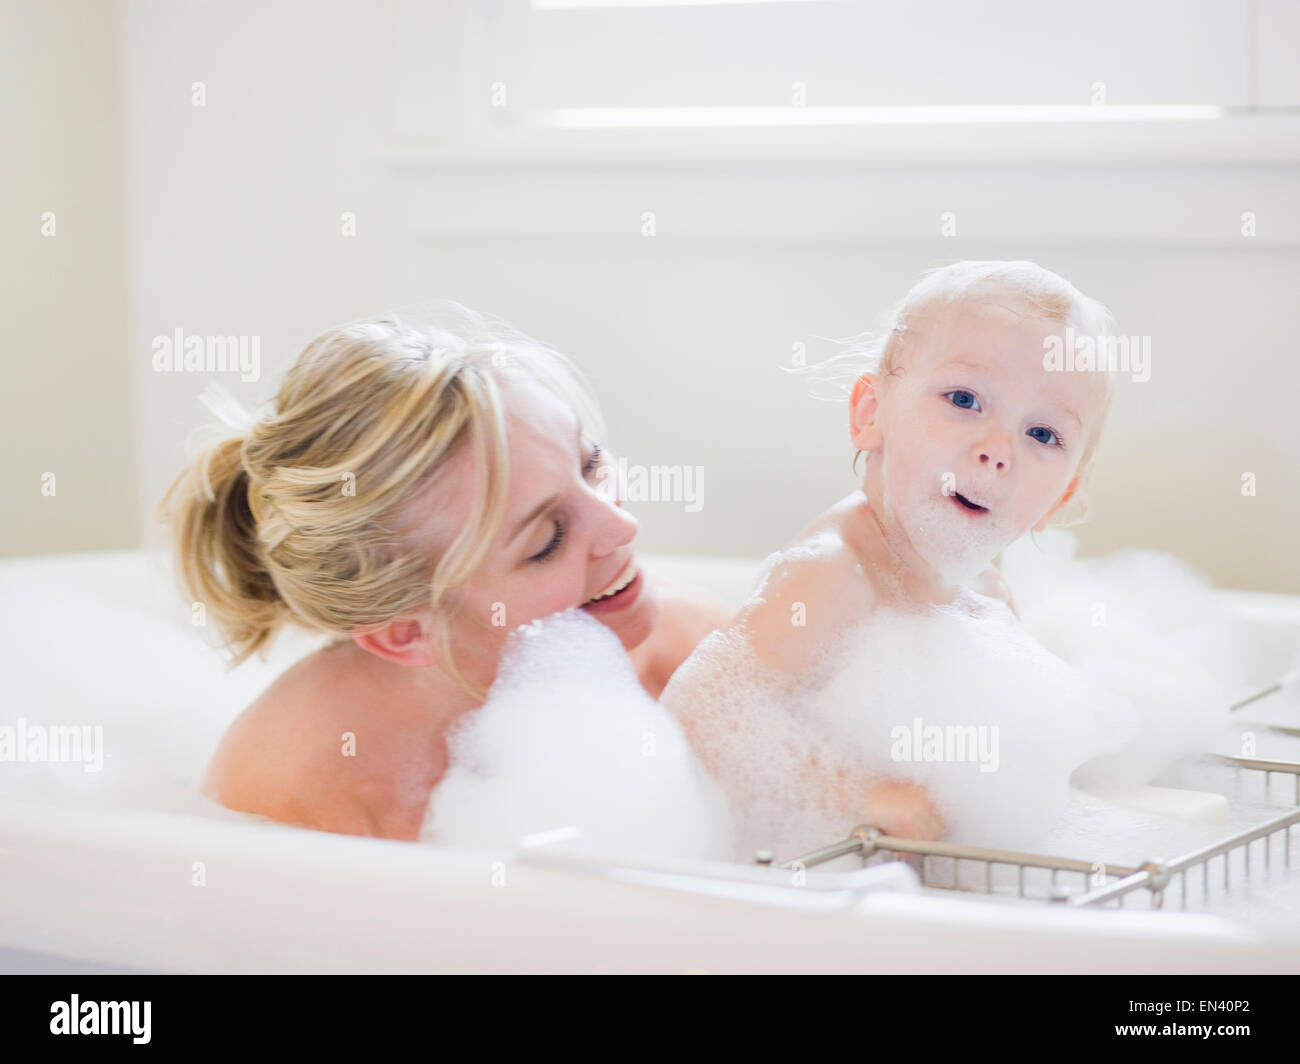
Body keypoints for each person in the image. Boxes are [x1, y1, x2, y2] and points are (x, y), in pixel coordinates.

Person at [159, 307, 731, 841]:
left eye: (591, 464)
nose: (622, 526)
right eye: (546, 542)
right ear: (405, 633)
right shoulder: (307, 802)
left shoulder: (694, 659)